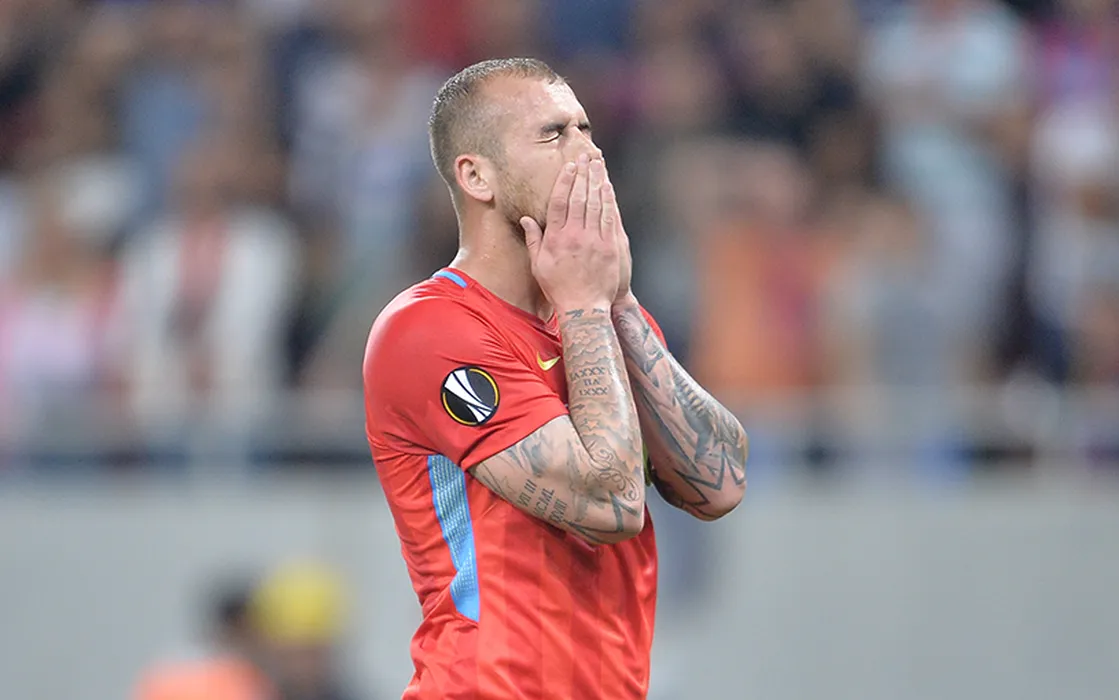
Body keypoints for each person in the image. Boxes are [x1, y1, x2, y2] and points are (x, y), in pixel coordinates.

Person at [362, 58, 748, 699]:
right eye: (553, 134)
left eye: (587, 130)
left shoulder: (594, 317)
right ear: (477, 176)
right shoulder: (427, 329)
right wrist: (589, 306)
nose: (588, 154)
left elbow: (721, 481)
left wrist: (619, 302)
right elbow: (609, 503)